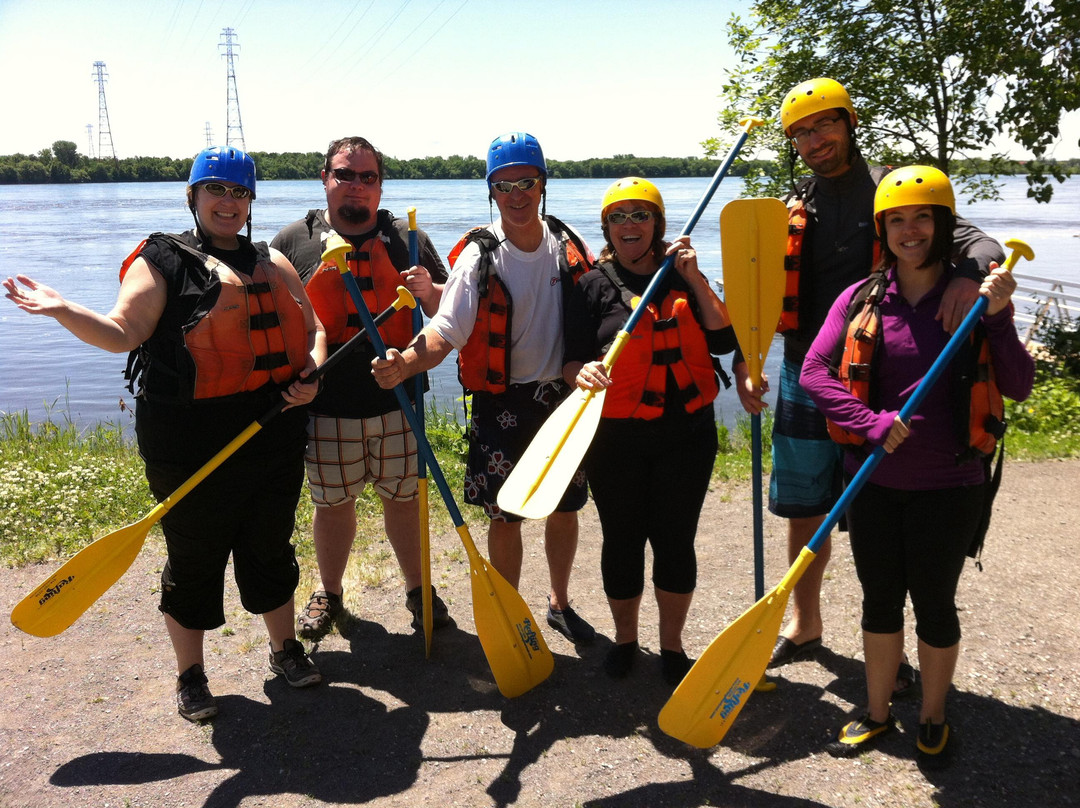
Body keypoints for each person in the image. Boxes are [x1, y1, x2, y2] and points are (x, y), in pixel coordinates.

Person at [3, 146, 327, 721]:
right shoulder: (161, 261)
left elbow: (314, 328)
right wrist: (62, 308)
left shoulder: (271, 261)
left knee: (269, 545)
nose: (229, 202)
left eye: (240, 192)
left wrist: (312, 373)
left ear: (251, 201)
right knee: (195, 556)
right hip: (189, 440)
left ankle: (284, 650)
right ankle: (191, 675)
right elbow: (121, 332)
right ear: (194, 196)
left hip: (272, 430)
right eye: (217, 190)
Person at [734, 78, 1005, 691]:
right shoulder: (795, 201)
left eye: (823, 124)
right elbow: (759, 290)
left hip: (875, 379)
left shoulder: (890, 192)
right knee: (804, 508)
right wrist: (748, 358)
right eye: (800, 132)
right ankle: (805, 626)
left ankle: (895, 655)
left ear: (850, 123)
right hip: (807, 370)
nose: (813, 139)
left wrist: (970, 271)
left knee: (878, 516)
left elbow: (973, 238)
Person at [800, 165, 1033, 765]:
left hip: (950, 483)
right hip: (873, 480)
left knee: (934, 602)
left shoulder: (976, 300)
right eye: (896, 220)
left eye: (922, 218)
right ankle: (876, 713)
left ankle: (932, 714)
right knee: (878, 600)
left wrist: (1001, 318)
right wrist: (870, 422)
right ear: (882, 230)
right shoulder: (860, 298)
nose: (910, 230)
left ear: (942, 224)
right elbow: (815, 374)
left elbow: (1019, 383)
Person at [371, 132, 597, 645]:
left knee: (565, 508)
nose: (517, 195)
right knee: (506, 514)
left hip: (561, 398)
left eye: (526, 183)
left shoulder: (567, 242)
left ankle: (559, 602)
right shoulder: (479, 256)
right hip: (502, 402)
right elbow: (445, 331)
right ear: (491, 191)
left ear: (542, 184)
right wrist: (406, 363)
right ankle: (510, 613)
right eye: (504, 185)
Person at [271, 136, 451, 640]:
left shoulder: (406, 239)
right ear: (325, 179)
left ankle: (419, 591)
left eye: (367, 177)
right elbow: (275, 322)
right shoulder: (293, 242)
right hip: (327, 407)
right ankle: (330, 592)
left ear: (380, 186)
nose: (355, 186)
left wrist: (427, 292)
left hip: (399, 403)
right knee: (332, 506)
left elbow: (446, 314)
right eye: (344, 175)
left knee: (403, 501)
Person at [562, 178, 738, 684]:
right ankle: (625, 640)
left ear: (657, 223)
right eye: (618, 217)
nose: (629, 225)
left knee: (675, 540)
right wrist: (581, 373)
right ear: (606, 228)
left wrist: (696, 276)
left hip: (686, 436)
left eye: (640, 214)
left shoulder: (682, 276)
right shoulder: (592, 286)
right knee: (621, 539)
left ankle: (673, 646)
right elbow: (570, 358)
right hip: (615, 438)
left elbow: (724, 339)